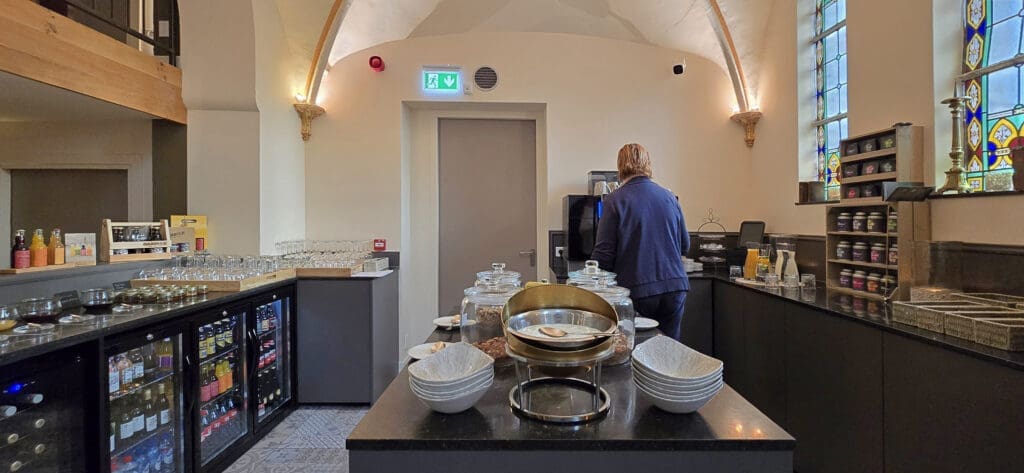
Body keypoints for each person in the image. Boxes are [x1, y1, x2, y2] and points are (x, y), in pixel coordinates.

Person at [590, 143, 690, 340]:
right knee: (668, 347)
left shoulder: (614, 200)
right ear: (648, 164)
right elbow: (685, 245)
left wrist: (591, 275)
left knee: (636, 347)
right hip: (674, 288)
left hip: (636, 290)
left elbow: (603, 256)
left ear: (620, 167)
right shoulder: (670, 197)